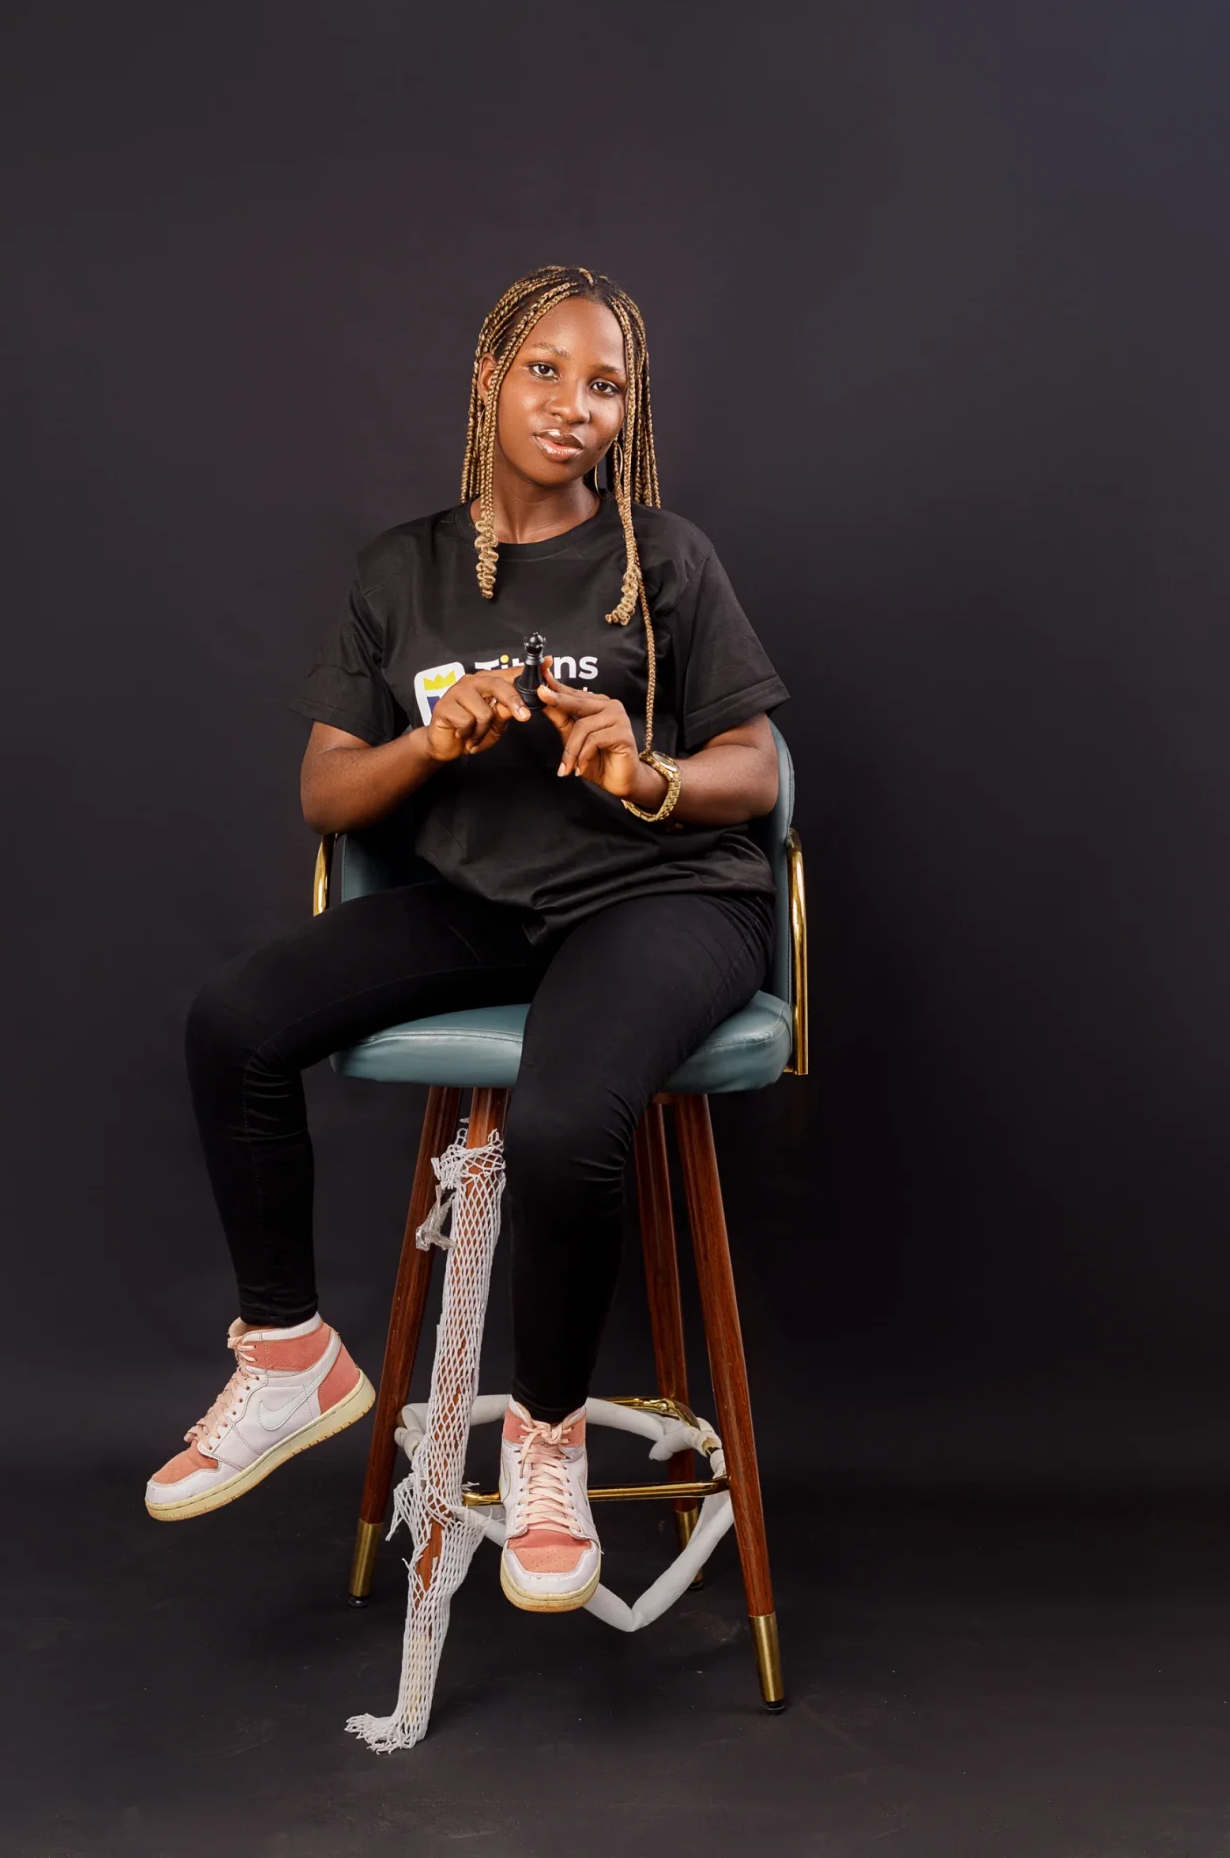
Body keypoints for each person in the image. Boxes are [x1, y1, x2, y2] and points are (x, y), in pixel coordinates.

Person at [148, 266, 788, 1614]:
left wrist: (648, 771)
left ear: (627, 412)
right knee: (234, 1022)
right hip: (488, 903)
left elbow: (756, 767)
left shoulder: (663, 558)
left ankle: (545, 1437)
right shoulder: (403, 569)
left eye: (604, 385)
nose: (573, 406)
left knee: (562, 1117)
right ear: (492, 378)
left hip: (665, 899)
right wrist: (430, 744)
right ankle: (290, 1356)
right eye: (545, 370)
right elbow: (329, 794)